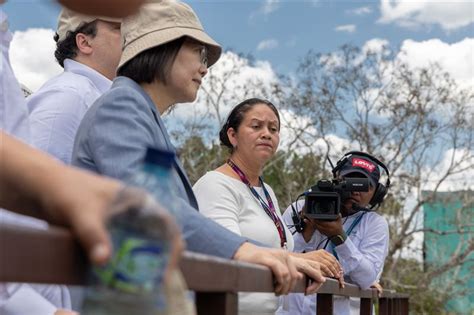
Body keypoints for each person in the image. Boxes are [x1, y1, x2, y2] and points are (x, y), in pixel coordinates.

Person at [72, 0, 324, 295]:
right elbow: (149, 206)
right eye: (199, 53)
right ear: (161, 47)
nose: (204, 69)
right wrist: (243, 250)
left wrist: (278, 255)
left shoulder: (141, 113)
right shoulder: (121, 106)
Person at [0, 3, 181, 314]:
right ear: (84, 42)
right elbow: (26, 215)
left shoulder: (96, 99)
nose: (130, 31)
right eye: (117, 27)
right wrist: (41, 309)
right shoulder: (67, 99)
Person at [193, 98, 341, 314]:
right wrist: (300, 259)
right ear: (233, 135)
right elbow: (227, 249)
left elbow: (277, 249)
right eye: (256, 126)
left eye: (273, 129)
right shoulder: (215, 184)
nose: (267, 133)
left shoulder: (267, 191)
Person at [278, 152, 390, 315]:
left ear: (376, 194)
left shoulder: (374, 223)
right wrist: (306, 230)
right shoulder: (302, 207)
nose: (355, 191)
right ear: (336, 180)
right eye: (349, 182)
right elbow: (278, 255)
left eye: (365, 186)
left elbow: (366, 278)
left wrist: (340, 237)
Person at [27, 9, 122, 164]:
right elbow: (30, 180)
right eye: (118, 28)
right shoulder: (70, 96)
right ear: (84, 43)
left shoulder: (81, 96)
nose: (131, 36)